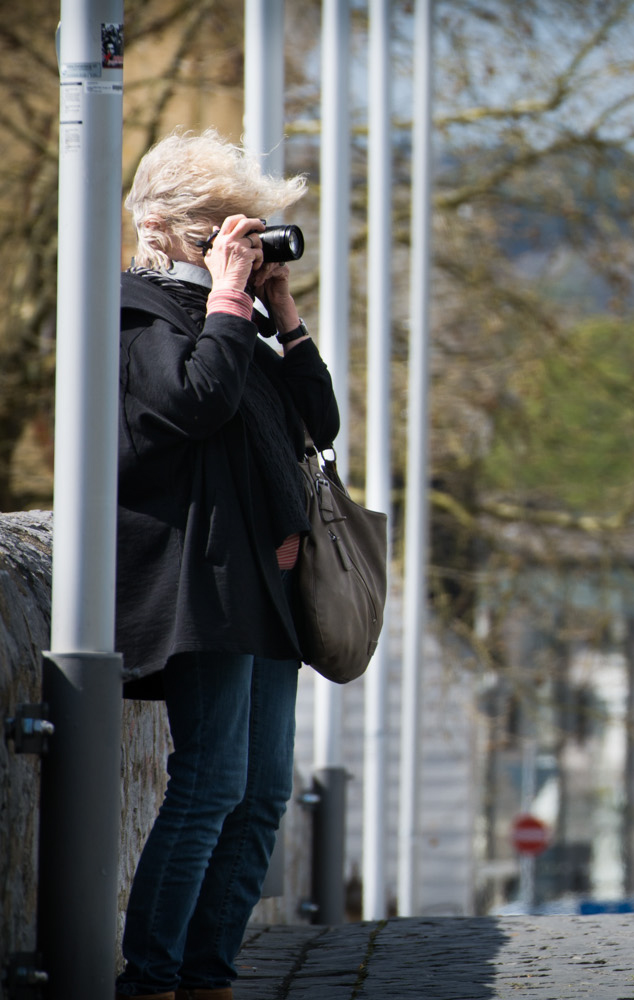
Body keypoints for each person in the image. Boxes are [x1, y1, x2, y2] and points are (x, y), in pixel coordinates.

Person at [113, 129, 337, 1000]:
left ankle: (211, 974)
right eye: (214, 225)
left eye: (240, 224)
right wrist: (231, 302)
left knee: (262, 793)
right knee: (210, 784)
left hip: (265, 590)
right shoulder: (134, 311)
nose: (231, 239)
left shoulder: (231, 317)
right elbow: (193, 402)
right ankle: (154, 977)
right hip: (201, 583)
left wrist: (281, 313)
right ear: (159, 224)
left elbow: (319, 421)